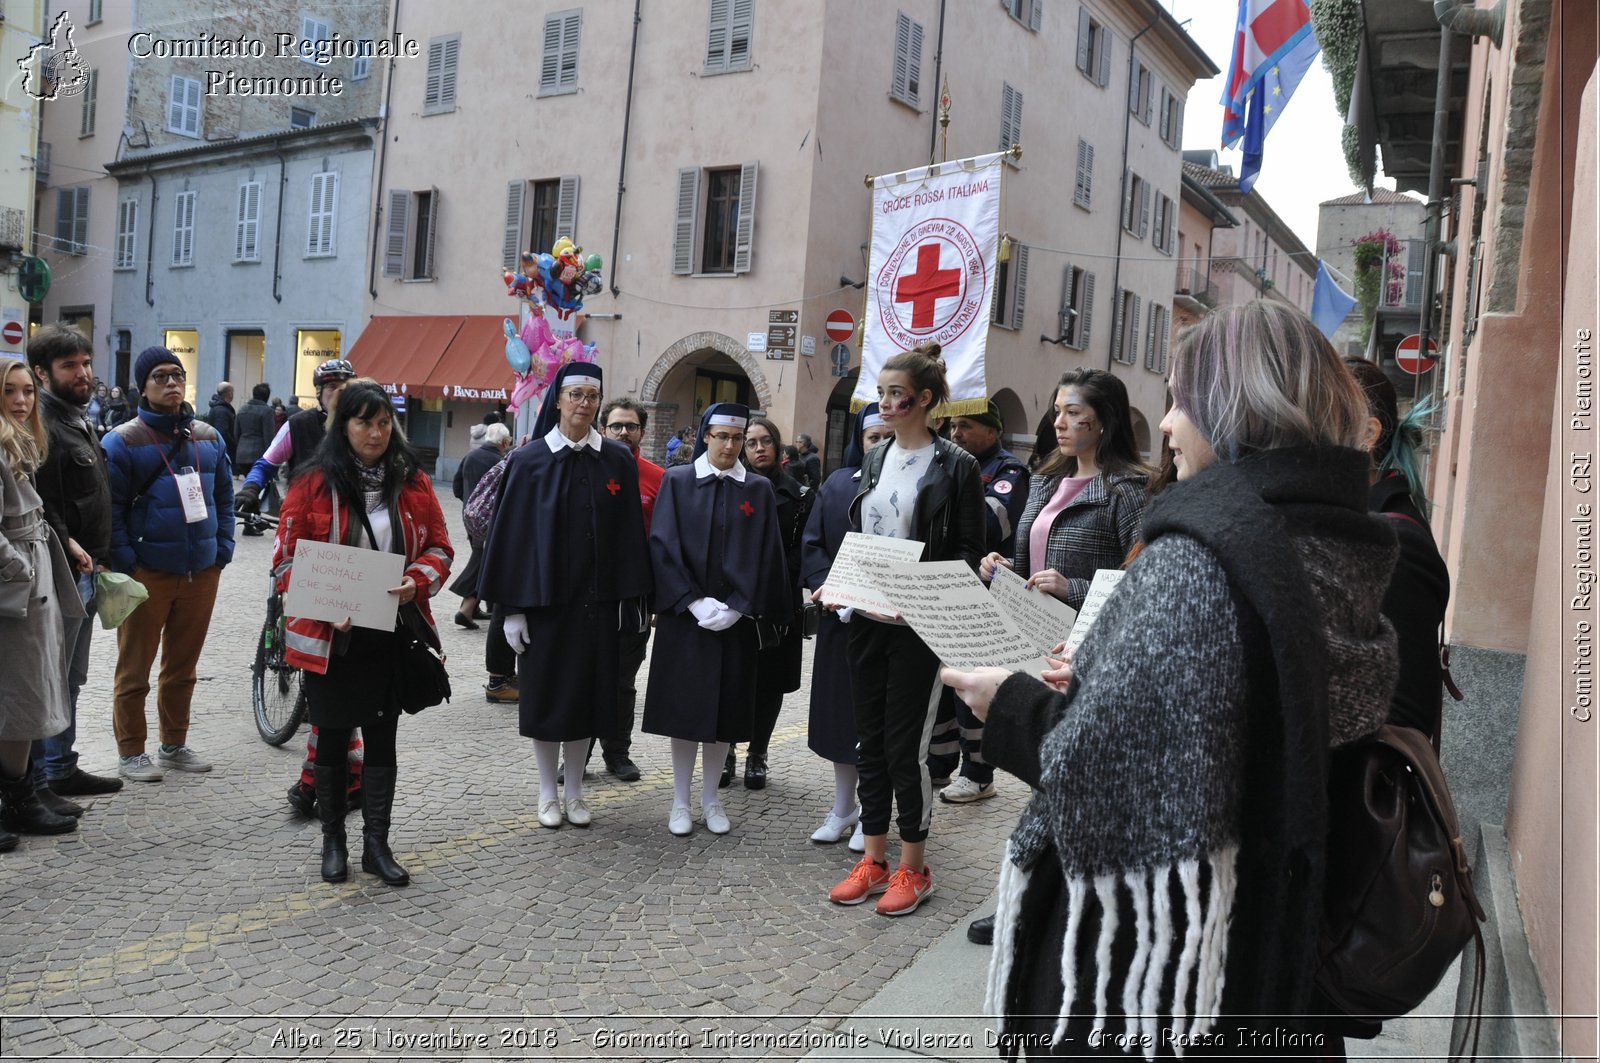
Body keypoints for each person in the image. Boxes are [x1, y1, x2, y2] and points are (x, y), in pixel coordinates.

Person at [942, 301, 1400, 1057]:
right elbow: (1229, 714)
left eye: (1182, 400)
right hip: (1271, 941)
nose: (1165, 426)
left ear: (1236, 409)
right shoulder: (1334, 538)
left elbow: (1113, 764)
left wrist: (1009, 703)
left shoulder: (1208, 554)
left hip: (1164, 974)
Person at [825, 342, 985, 917]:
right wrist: (841, 585)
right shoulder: (875, 457)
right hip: (867, 617)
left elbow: (969, 550)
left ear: (923, 400)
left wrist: (919, 586)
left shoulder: (957, 466)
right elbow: (861, 536)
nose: (884, 404)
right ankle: (874, 859)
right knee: (868, 741)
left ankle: (915, 867)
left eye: (896, 395)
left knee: (904, 749)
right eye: (883, 393)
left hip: (919, 625)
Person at [273, 382, 452, 885]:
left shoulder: (411, 481)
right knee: (330, 739)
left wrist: (416, 583)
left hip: (388, 631)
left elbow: (440, 548)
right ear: (342, 425)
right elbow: (285, 560)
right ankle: (334, 842)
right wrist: (327, 606)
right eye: (362, 422)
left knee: (382, 737)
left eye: (382, 423)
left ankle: (377, 844)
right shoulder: (311, 483)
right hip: (332, 638)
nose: (374, 433)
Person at [478, 363, 651, 829]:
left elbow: (630, 536)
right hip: (545, 606)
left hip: (598, 607)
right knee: (549, 700)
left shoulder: (616, 460)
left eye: (591, 397)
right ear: (557, 399)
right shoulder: (529, 460)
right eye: (575, 395)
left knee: (588, 701)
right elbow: (509, 537)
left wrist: (634, 602)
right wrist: (510, 610)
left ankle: (575, 792)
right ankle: (546, 792)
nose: (583, 404)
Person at [642, 402, 788, 837]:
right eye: (722, 436)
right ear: (706, 435)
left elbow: (767, 554)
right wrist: (691, 601)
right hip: (686, 620)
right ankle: (681, 801)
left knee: (725, 714)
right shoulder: (678, 481)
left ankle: (712, 799)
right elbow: (662, 544)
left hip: (734, 622)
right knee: (685, 712)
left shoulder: (757, 489)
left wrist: (741, 606)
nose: (730, 445)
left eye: (737, 438)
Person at [235, 360, 364, 818]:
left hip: (350, 561)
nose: (338, 393)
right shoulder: (300, 426)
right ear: (320, 392)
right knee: (326, 669)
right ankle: (337, 777)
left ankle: (335, 777)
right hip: (307, 549)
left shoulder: (363, 428)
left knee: (338, 676)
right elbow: (267, 463)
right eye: (331, 387)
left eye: (344, 386)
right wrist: (251, 490)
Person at [103, 346, 234, 782]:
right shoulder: (122, 441)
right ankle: (131, 751)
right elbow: (111, 512)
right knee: (135, 666)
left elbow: (223, 498)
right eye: (160, 376)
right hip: (149, 573)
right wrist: (129, 564)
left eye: (177, 374)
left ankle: (174, 743)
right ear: (143, 385)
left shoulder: (208, 437)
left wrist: (222, 549)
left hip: (200, 570)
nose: (172, 383)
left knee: (183, 666)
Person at [26, 326, 124, 802]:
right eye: (70, 365)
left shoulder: (76, 418)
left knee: (70, 676)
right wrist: (68, 545)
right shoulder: (41, 422)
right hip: (59, 572)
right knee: (50, 677)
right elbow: (42, 502)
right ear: (42, 373)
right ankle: (39, 779)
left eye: (85, 362)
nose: (83, 372)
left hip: (85, 569)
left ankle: (61, 766)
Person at [981, 368, 1152, 611]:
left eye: (1072, 413)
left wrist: (1073, 589)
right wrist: (1005, 567)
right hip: (1028, 628)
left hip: (1083, 640)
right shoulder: (1045, 481)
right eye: (1057, 412)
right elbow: (1037, 565)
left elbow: (1144, 582)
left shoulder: (1129, 490)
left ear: (1105, 420)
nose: (1058, 424)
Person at [928, 399, 1030, 802]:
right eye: (953, 425)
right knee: (941, 683)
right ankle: (939, 763)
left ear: (992, 430)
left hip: (986, 597)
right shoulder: (950, 464)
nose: (956, 434)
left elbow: (990, 523)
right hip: (951, 590)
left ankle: (978, 771)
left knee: (973, 688)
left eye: (966, 426)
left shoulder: (1008, 472)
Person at [1345, 358, 1452, 743]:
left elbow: (1401, 719)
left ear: (1368, 433)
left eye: (1320, 418)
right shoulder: (1364, 523)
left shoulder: (1396, 542)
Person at [799, 402, 891, 850]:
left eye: (889, 437)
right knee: (841, 719)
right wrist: (831, 590)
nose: (881, 445)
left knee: (880, 721)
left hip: (891, 623)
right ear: (860, 440)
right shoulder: (837, 484)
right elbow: (813, 543)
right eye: (874, 437)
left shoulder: (914, 488)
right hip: (841, 619)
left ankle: (875, 813)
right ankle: (842, 808)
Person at [0, 357, 84, 842]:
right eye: (10, 391)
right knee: (19, 698)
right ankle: (18, 800)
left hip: (30, 589)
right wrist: (21, 569)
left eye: (28, 391)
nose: (21, 401)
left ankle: (22, 794)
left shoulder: (22, 443)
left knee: (26, 694)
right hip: (16, 595)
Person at [722, 416, 813, 790]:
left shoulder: (800, 494)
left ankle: (757, 754)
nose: (759, 448)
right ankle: (723, 750)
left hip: (778, 598)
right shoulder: (728, 487)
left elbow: (804, 548)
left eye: (766, 441)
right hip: (735, 599)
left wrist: (771, 574)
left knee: (770, 682)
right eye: (752, 442)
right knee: (731, 679)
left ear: (777, 447)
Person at [588, 395, 665, 782]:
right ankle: (577, 753)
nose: (622, 432)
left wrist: (657, 600)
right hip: (590, 596)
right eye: (616, 425)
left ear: (642, 432)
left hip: (635, 597)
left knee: (622, 681)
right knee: (584, 676)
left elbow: (664, 541)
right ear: (603, 429)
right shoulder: (585, 468)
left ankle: (617, 753)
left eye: (630, 426)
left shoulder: (657, 477)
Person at [448, 423, 510, 630]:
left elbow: (456, 486)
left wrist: (469, 503)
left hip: (470, 518)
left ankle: (474, 608)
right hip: (491, 522)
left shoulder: (470, 456)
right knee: (482, 562)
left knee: (481, 558)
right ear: (503, 442)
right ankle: (467, 607)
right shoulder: (499, 462)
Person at [235, 383, 274, 476]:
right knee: (257, 485)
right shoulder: (267, 411)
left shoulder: (242, 409)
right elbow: (269, 436)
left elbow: (236, 433)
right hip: (259, 454)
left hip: (242, 454)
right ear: (267, 397)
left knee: (249, 483)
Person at [207, 382, 239, 468]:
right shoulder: (222, 410)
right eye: (232, 392)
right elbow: (222, 433)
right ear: (229, 393)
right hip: (223, 452)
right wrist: (234, 445)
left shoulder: (217, 407)